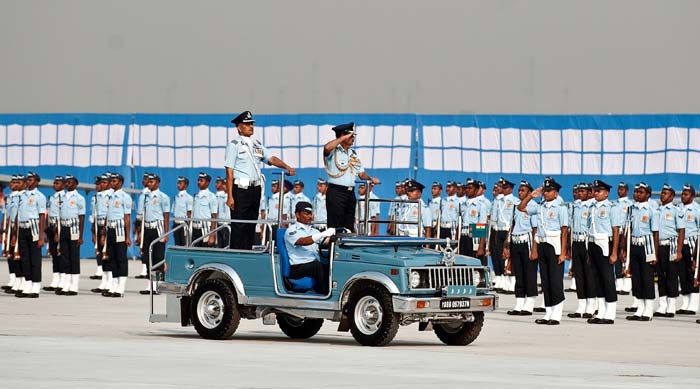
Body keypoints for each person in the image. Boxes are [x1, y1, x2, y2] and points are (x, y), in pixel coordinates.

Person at [225, 110, 296, 250]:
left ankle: (247, 252)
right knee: (239, 224)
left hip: (255, 189)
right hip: (240, 189)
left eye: (252, 124)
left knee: (251, 223)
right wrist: (230, 196)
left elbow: (271, 158)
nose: (251, 126)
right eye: (247, 124)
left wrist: (286, 166)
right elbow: (229, 171)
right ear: (239, 127)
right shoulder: (234, 145)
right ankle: (237, 254)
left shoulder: (257, 144)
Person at [518, 177, 568, 325]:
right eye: (544, 190)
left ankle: (557, 313)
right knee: (545, 279)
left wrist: (563, 251)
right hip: (542, 243)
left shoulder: (560, 207)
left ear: (556, 193)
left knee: (555, 280)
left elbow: (564, 230)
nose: (546, 193)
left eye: (549, 190)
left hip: (555, 244)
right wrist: (530, 196)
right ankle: (548, 312)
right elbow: (521, 207)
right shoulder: (540, 207)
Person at [323, 122, 379, 232]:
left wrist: (370, 179)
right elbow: (326, 148)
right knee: (335, 226)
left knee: (349, 225)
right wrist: (343, 137)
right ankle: (334, 248)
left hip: (350, 193)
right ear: (343, 135)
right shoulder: (334, 151)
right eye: (351, 136)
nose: (353, 138)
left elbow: (361, 174)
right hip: (336, 192)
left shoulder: (353, 154)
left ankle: (345, 248)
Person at [586, 180, 622, 324]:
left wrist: (614, 252)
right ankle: (601, 311)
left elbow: (615, 231)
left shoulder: (612, 207)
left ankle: (610, 313)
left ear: (606, 193)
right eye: (595, 190)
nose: (595, 193)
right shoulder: (592, 207)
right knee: (597, 279)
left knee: (607, 278)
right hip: (593, 243)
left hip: (605, 243)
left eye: (599, 191)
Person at [624, 182, 658, 322]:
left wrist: (654, 253)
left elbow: (655, 233)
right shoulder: (631, 209)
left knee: (647, 278)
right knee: (636, 278)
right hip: (634, 245)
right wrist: (624, 249)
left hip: (647, 246)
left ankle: (648, 309)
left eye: (641, 192)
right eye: (636, 191)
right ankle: (639, 308)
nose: (637, 194)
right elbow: (628, 229)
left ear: (648, 194)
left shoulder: (652, 210)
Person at [284, 201, 335, 294]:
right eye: (306, 214)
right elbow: (302, 241)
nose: (310, 217)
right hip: (297, 267)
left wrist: (336, 235)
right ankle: (327, 293)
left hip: (312, 265)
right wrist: (322, 234)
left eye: (310, 214)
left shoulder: (314, 231)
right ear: (298, 215)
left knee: (332, 264)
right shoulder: (291, 231)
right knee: (317, 266)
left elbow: (325, 242)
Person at [505, 180, 538, 316]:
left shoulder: (533, 206)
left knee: (529, 273)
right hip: (515, 241)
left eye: (523, 190)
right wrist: (507, 244)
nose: (520, 192)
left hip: (527, 241)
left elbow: (535, 229)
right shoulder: (516, 206)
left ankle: (529, 303)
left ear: (530, 192)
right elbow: (512, 225)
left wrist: (535, 249)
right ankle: (519, 303)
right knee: (518, 273)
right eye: (519, 190)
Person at [653, 184, 684, 318]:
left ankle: (671, 305)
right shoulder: (657, 210)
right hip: (659, 246)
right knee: (660, 276)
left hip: (671, 245)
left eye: (665, 193)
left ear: (671, 196)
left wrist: (679, 250)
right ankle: (662, 304)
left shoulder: (676, 210)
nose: (662, 195)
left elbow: (681, 230)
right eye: (662, 193)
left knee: (671, 275)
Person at [14, 171, 47, 298]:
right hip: (22, 228)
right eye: (27, 180)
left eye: (31, 180)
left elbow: (42, 216)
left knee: (35, 259)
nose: (29, 182)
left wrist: (41, 236)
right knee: (25, 259)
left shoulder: (40, 196)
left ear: (37, 182)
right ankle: (27, 284)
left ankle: (35, 286)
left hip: (34, 229)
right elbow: (18, 214)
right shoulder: (22, 196)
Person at [567, 182, 597, 319]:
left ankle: (591, 305)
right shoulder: (575, 207)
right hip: (576, 242)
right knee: (578, 275)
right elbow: (570, 227)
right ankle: (581, 305)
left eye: (583, 191)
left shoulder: (593, 206)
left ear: (590, 192)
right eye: (579, 191)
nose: (580, 193)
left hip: (587, 242)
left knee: (589, 275)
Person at [53, 175, 85, 296]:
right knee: (64, 256)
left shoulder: (79, 198)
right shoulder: (61, 197)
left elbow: (82, 217)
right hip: (63, 228)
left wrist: (80, 236)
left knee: (74, 257)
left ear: (76, 184)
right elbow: (58, 216)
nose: (67, 184)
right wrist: (57, 232)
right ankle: (66, 283)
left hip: (74, 229)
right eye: (66, 182)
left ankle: (74, 285)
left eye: (70, 182)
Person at [102, 173, 132, 298]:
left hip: (120, 230)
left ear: (120, 182)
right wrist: (104, 232)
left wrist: (127, 236)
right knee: (112, 258)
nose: (111, 183)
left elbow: (127, 217)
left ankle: (121, 287)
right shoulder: (109, 196)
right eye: (111, 181)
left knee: (121, 258)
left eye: (114, 181)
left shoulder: (125, 197)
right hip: (110, 229)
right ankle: (113, 284)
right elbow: (107, 215)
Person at [139, 173, 170, 295]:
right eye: (149, 181)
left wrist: (165, 233)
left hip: (158, 228)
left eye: (152, 182)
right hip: (147, 228)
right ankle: (149, 284)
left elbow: (166, 216)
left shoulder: (163, 197)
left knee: (158, 257)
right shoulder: (146, 196)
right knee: (147, 257)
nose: (149, 183)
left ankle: (158, 285)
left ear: (157, 183)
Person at [677, 184, 700, 315]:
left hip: (692, 243)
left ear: (692, 196)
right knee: (682, 274)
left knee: (692, 273)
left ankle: (693, 304)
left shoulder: (697, 209)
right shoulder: (678, 208)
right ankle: (685, 303)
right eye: (682, 194)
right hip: (681, 244)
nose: (683, 196)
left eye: (686, 194)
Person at [460, 178, 489, 265]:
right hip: (463, 236)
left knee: (474, 263)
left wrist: (480, 247)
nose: (467, 190)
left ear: (476, 190)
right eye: (466, 188)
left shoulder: (480, 205)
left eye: (470, 188)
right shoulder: (463, 205)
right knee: (463, 262)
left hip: (474, 236)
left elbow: (482, 227)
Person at [43, 176, 65, 292]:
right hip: (51, 227)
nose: (54, 185)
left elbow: (62, 215)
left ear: (63, 185)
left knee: (60, 255)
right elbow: (48, 213)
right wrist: (46, 230)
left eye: (57, 183)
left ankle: (62, 281)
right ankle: (55, 280)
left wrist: (57, 233)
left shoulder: (63, 197)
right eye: (54, 183)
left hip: (59, 228)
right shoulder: (51, 197)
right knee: (54, 255)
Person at [92, 174, 112, 293]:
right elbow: (95, 215)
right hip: (98, 226)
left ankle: (110, 281)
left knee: (108, 254)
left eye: (104, 182)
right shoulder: (97, 196)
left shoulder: (111, 195)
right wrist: (94, 232)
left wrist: (104, 232)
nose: (102, 184)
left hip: (108, 227)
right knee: (100, 254)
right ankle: (104, 281)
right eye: (101, 182)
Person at [2, 175, 21, 293]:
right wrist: (3, 232)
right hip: (9, 228)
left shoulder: (22, 197)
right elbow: (5, 215)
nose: (13, 184)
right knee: (10, 255)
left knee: (17, 255)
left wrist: (15, 232)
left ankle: (19, 281)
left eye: (16, 182)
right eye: (12, 182)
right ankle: (12, 279)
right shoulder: (8, 197)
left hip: (18, 228)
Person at [615, 182, 633, 295]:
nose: (619, 191)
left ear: (626, 191)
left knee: (626, 257)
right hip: (617, 232)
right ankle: (619, 283)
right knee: (616, 257)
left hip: (626, 232)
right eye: (619, 189)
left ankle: (627, 285)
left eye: (622, 189)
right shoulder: (614, 204)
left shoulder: (630, 204)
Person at [192, 173, 217, 247]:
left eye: (201, 180)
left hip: (205, 229)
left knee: (205, 252)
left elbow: (214, 216)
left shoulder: (211, 196)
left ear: (207, 183)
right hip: (195, 228)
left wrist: (212, 235)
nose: (199, 182)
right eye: (198, 180)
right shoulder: (196, 196)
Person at [134, 172, 151, 279]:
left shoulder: (148, 194)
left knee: (146, 246)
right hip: (140, 221)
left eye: (146, 179)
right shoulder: (142, 193)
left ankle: (147, 270)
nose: (143, 181)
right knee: (142, 246)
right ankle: (144, 269)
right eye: (143, 179)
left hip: (146, 222)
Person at [171, 176, 193, 246]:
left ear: (185, 185)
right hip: (176, 224)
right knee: (177, 244)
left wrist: (189, 229)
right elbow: (174, 212)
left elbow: (189, 213)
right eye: (178, 183)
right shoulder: (176, 197)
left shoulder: (189, 198)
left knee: (184, 244)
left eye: (180, 183)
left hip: (184, 225)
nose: (178, 185)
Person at [215, 177, 230, 248]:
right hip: (220, 224)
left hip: (228, 224)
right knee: (220, 245)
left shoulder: (233, 197)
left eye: (226, 184)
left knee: (227, 245)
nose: (224, 186)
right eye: (224, 184)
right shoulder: (221, 196)